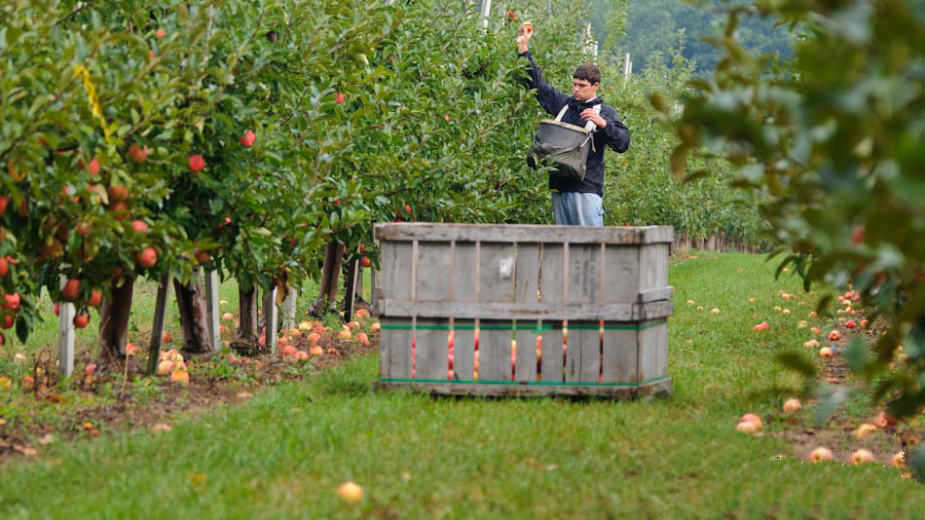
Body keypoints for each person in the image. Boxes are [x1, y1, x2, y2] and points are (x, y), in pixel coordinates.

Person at [517, 23, 630, 227]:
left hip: (586, 191)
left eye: (582, 86)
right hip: (559, 189)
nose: (576, 89)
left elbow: (623, 143)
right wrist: (523, 48)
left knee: (591, 244)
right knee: (565, 245)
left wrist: (603, 124)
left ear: (595, 86)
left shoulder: (604, 112)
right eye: (574, 84)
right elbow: (538, 86)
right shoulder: (564, 106)